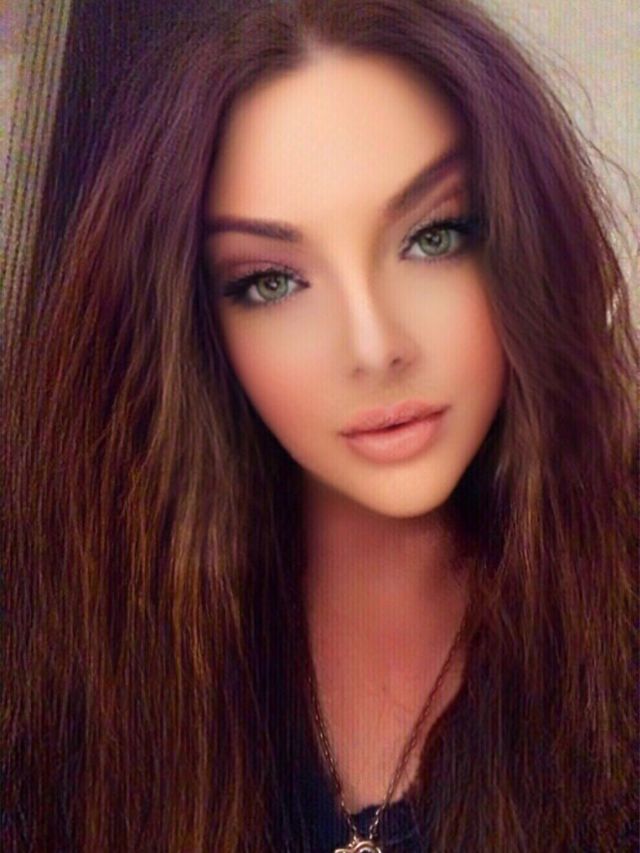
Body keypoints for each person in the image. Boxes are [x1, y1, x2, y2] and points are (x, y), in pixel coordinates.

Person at [1, 1, 637, 851]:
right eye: (272, 281)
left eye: (434, 235)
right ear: (197, 327)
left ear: (528, 240)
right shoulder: (84, 655)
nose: (375, 347)